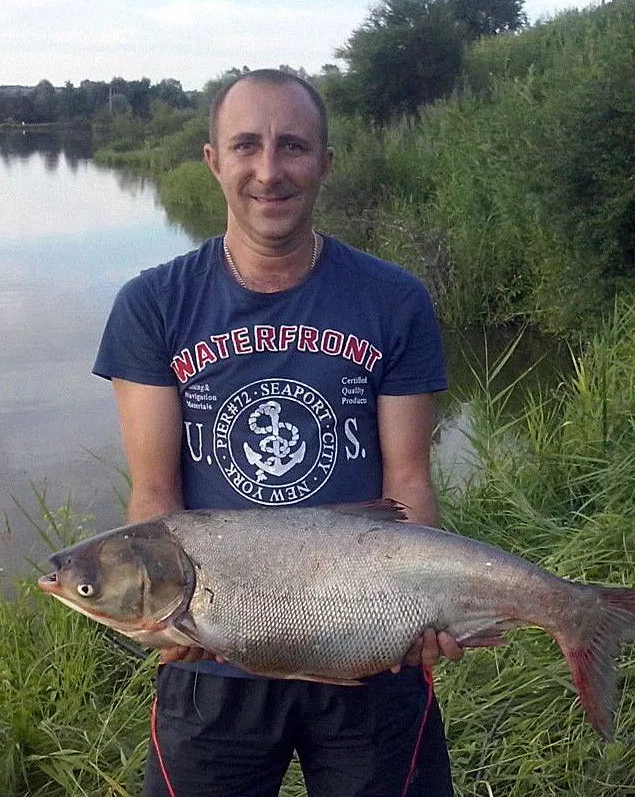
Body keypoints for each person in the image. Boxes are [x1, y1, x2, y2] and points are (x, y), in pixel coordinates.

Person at [94, 68, 461, 797]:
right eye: (246, 146)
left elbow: (408, 482)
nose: (268, 171)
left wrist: (419, 609)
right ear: (213, 160)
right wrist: (166, 617)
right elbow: (156, 492)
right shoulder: (153, 304)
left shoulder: (394, 299)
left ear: (325, 162)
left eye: (292, 146)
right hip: (213, 658)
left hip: (366, 647)